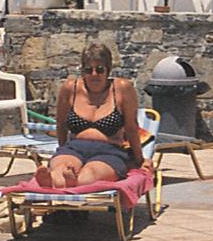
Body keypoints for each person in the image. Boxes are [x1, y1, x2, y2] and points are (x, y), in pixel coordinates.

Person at [43, 41, 141, 188]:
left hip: (109, 151)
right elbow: (61, 125)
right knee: (61, 167)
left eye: (100, 69)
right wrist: (63, 149)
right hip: (74, 148)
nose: (94, 74)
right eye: (89, 70)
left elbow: (132, 127)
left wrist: (139, 159)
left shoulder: (121, 89)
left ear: (108, 70)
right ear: (83, 71)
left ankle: (66, 181)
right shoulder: (70, 88)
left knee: (91, 174)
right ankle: (59, 178)